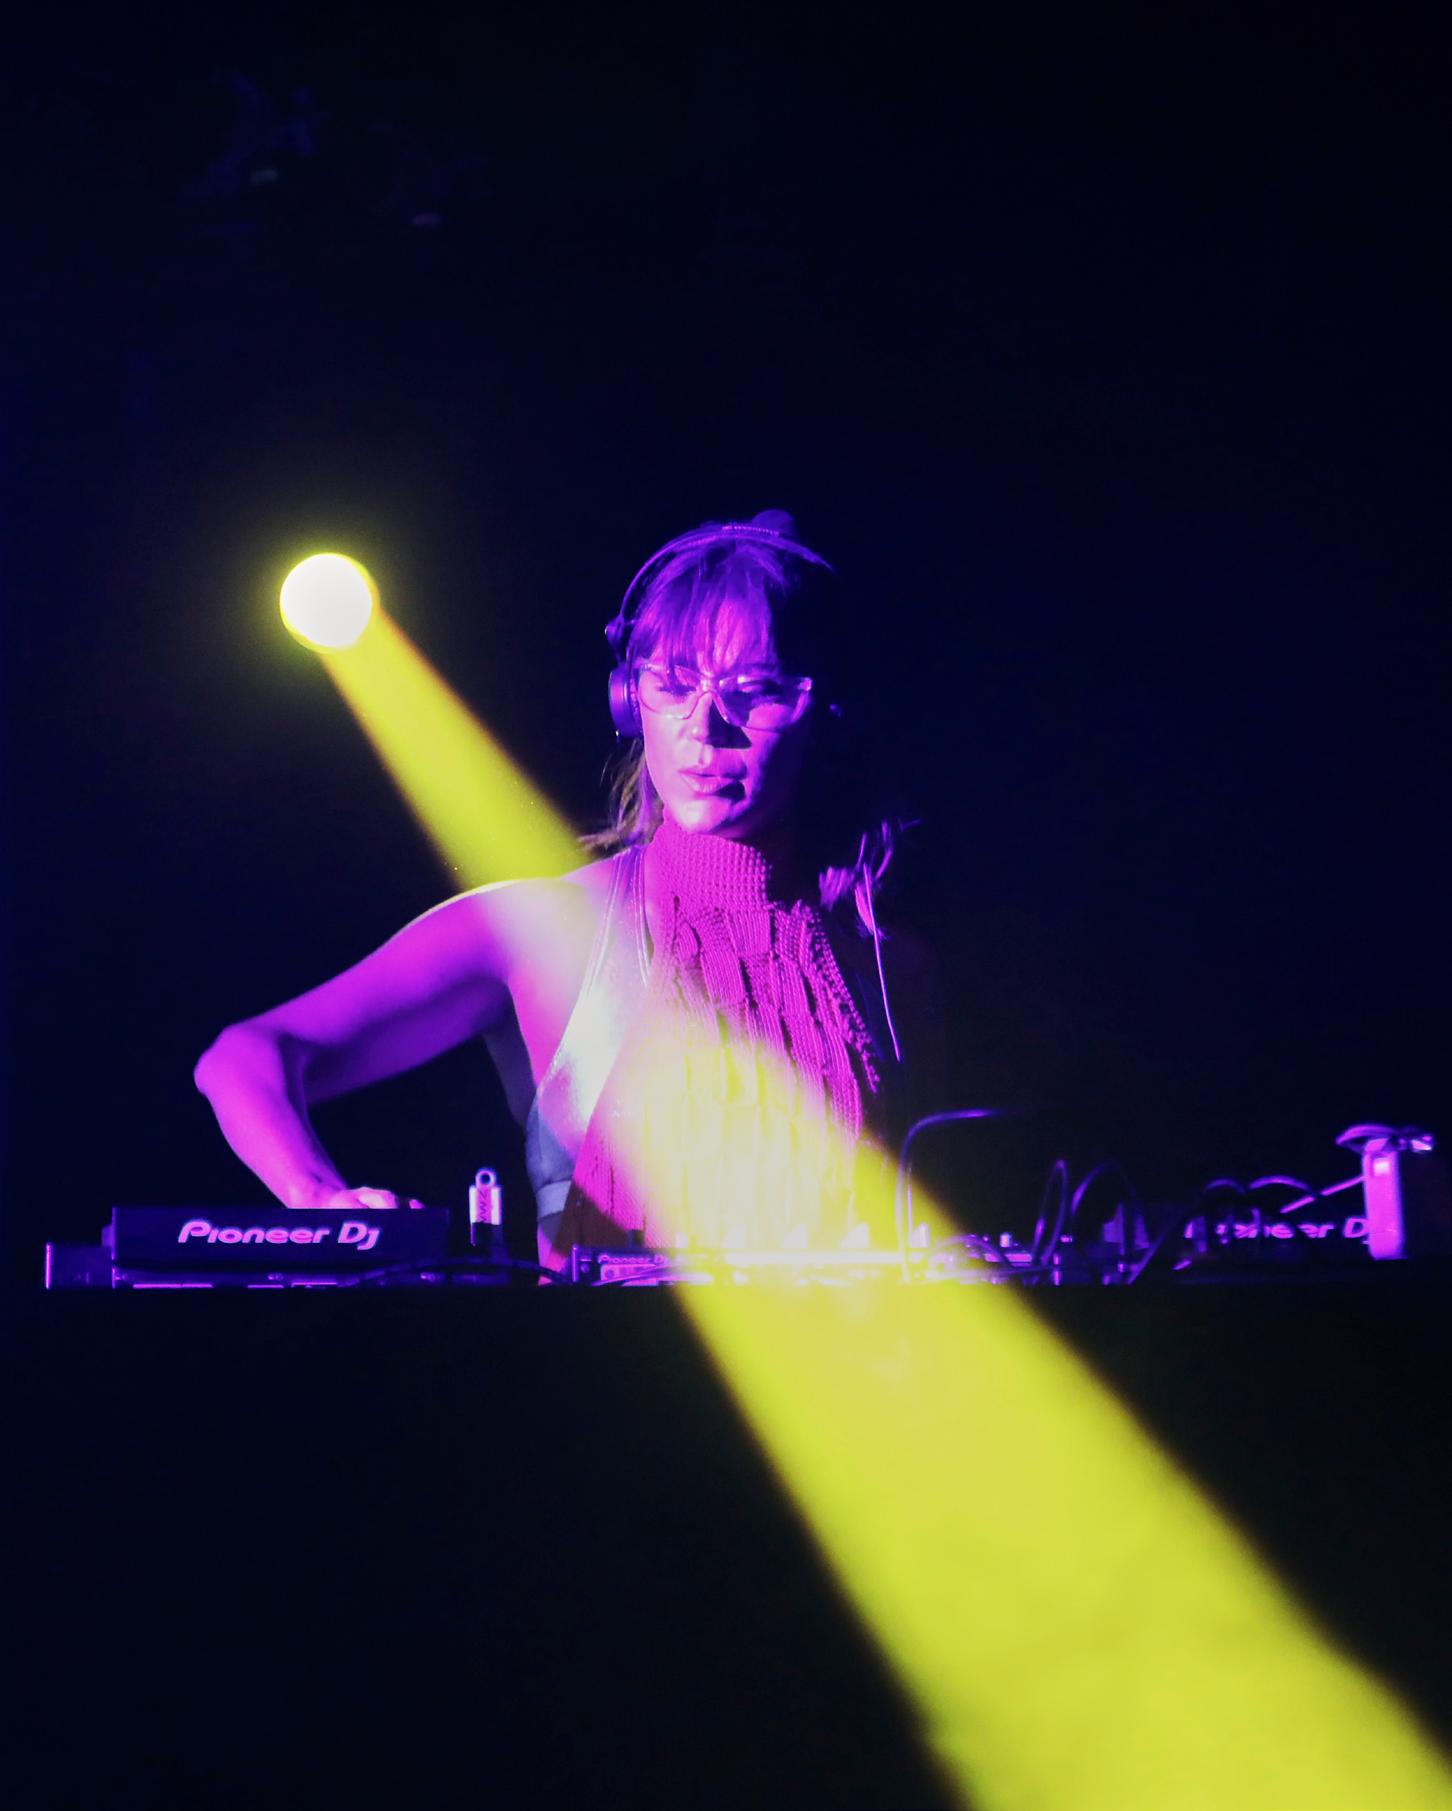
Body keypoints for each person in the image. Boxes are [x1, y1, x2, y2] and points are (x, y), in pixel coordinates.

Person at [194, 512, 942, 1272]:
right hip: (595, 1348)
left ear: (827, 714)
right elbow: (245, 1056)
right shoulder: (547, 924)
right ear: (629, 700)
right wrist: (321, 1201)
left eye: (753, 691)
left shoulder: (887, 966)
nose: (705, 728)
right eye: (672, 685)